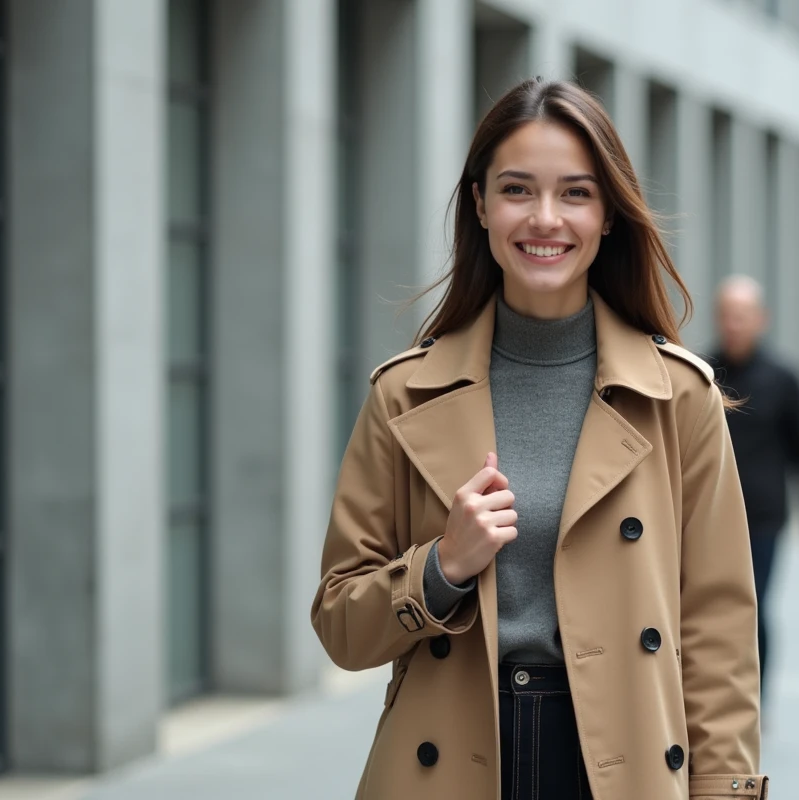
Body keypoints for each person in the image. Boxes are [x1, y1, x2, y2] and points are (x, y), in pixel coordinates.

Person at [311, 78, 767, 800]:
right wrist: (441, 568)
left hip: (620, 759)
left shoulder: (677, 396)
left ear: (609, 214)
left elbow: (719, 634)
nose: (545, 218)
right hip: (453, 762)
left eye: (576, 194)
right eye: (517, 190)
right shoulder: (405, 394)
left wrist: (726, 791)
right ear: (480, 204)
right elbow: (340, 623)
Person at [709, 276, 799, 701]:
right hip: (705, 514)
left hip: (762, 516)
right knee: (707, 609)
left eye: (742, 316)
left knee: (752, 607)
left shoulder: (783, 378)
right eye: (727, 315)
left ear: (761, 319)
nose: (734, 324)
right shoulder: (701, 372)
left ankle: (752, 698)